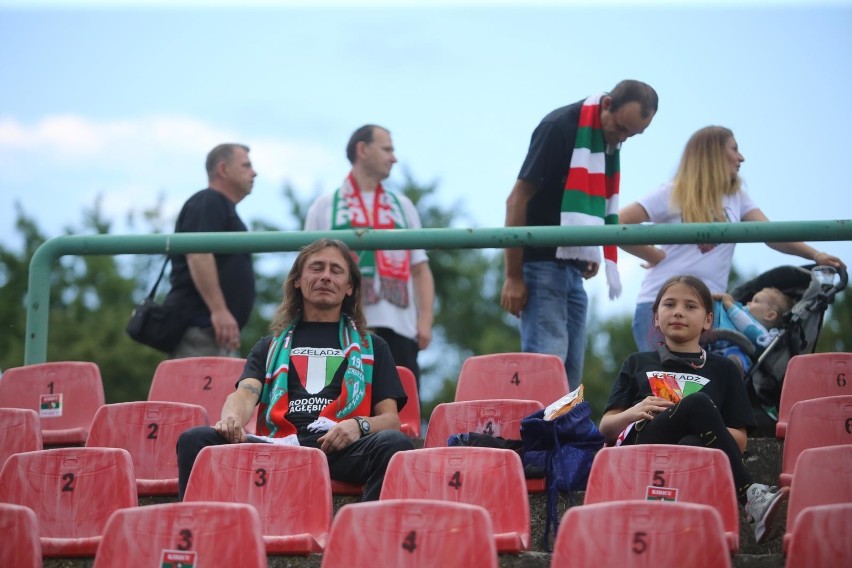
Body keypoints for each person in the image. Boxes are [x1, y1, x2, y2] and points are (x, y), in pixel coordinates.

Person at [176, 238, 414, 501]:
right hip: (279, 446)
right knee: (195, 440)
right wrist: (231, 418)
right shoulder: (270, 346)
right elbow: (245, 394)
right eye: (316, 268)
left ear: (349, 287)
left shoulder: (373, 347)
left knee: (394, 443)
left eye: (336, 270)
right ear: (297, 281)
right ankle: (199, 532)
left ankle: (361, 534)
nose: (325, 276)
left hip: (340, 449)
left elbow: (390, 420)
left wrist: (358, 426)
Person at [620, 125, 845, 351]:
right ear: (714, 153)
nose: (741, 157)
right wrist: (654, 254)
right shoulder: (673, 192)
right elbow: (619, 222)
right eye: (734, 149)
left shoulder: (736, 198)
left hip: (709, 309)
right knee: (667, 384)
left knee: (700, 385)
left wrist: (816, 255)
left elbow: (773, 234)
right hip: (663, 305)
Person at [599, 275, 785, 544]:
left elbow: (740, 440)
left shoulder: (724, 369)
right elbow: (605, 427)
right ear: (655, 317)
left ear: (708, 319)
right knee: (697, 403)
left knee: (691, 438)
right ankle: (750, 495)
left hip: (698, 462)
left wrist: (697, 422)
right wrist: (635, 410)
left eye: (690, 306)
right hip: (641, 448)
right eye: (669, 304)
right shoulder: (637, 361)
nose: (678, 312)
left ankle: (678, 530)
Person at [500, 80, 659, 390]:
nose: (622, 138)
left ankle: (562, 437)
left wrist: (583, 250)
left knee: (571, 373)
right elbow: (516, 199)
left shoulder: (606, 141)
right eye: (621, 128)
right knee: (547, 366)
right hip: (540, 264)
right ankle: (538, 437)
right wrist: (513, 276)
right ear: (607, 105)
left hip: (571, 266)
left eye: (632, 135)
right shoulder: (559, 127)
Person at [304, 124, 434, 393]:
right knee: (336, 409)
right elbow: (306, 271)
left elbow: (420, 268)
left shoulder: (403, 205)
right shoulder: (324, 206)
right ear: (362, 150)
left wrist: (425, 321)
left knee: (400, 415)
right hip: (339, 327)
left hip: (400, 328)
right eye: (387, 149)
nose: (394, 158)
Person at [163, 143, 257, 358]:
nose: (254, 172)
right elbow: (198, 254)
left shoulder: (216, 205)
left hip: (214, 332)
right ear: (223, 169)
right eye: (246, 166)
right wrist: (219, 311)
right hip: (202, 330)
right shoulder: (208, 201)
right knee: (200, 392)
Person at [709, 287, 794, 374]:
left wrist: (728, 303)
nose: (748, 303)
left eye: (756, 301)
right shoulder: (743, 313)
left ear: (770, 315)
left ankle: (735, 368)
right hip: (713, 345)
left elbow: (744, 322)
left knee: (738, 356)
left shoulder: (762, 332)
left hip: (735, 350)